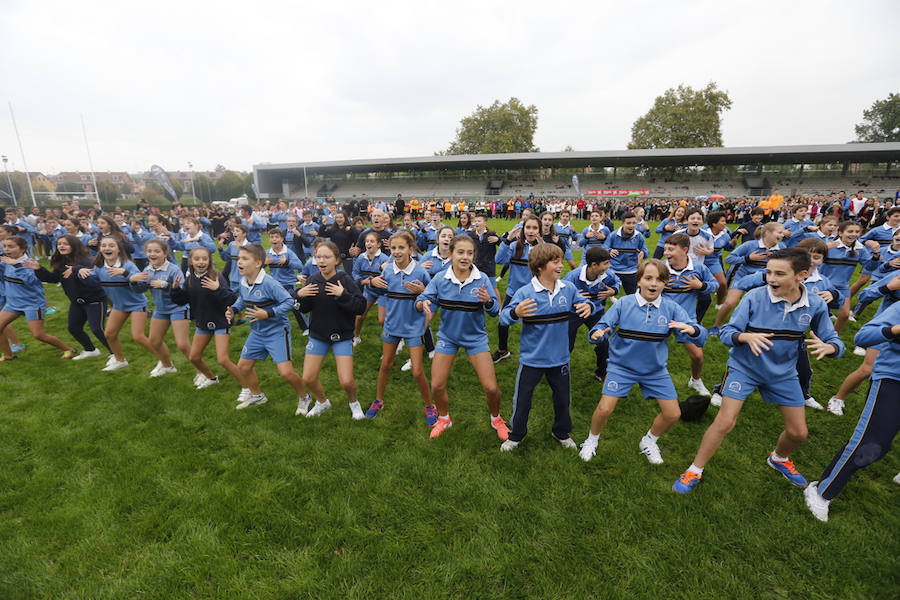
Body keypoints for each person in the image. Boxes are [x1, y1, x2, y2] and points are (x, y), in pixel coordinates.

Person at [673, 248, 844, 494]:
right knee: (725, 421)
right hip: (745, 368)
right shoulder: (754, 297)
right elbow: (726, 333)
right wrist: (745, 336)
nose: (771, 278)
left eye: (779, 273)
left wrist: (831, 347)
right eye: (768, 272)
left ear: (801, 275)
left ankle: (779, 458)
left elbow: (835, 340)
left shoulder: (814, 304)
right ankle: (694, 470)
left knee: (799, 433)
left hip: (783, 373)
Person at [580, 259, 706, 464]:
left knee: (673, 413)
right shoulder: (623, 303)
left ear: (666, 284)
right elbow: (604, 324)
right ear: (638, 281)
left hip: (654, 370)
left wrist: (694, 330)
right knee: (604, 409)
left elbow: (699, 335)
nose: (653, 284)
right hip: (622, 367)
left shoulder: (671, 308)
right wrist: (597, 333)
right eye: (648, 278)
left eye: (659, 280)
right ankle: (591, 440)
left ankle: (649, 441)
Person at [804, 301, 900, 522]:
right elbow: (863, 337)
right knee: (874, 443)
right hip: (894, 379)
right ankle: (822, 491)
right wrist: (895, 330)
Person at [499, 243, 593, 451]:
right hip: (532, 359)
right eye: (555, 261)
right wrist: (516, 313)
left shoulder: (567, 289)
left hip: (560, 359)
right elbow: (504, 318)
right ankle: (516, 435)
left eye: (561, 260)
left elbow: (586, 303)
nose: (561, 265)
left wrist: (589, 305)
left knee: (562, 399)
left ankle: (561, 431)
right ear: (540, 266)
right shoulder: (525, 293)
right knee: (523, 400)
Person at [415, 234, 506, 439]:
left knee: (491, 388)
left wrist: (488, 302)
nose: (465, 257)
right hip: (448, 337)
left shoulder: (481, 278)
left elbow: (494, 312)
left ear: (474, 256)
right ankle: (444, 418)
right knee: (437, 385)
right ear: (451, 254)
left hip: (475, 339)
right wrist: (423, 304)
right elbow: (422, 299)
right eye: (460, 252)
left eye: (470, 253)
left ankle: (496, 418)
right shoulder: (440, 278)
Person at [226, 244, 310, 411]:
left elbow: (289, 302)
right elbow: (243, 298)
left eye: (244, 259)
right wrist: (234, 309)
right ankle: (257, 396)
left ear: (258, 263)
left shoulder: (270, 283)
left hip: (277, 332)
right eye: (239, 258)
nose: (239, 262)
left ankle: (304, 397)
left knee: (286, 373)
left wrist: (268, 313)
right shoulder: (244, 281)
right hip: (257, 333)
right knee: (243, 366)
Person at [366, 230, 436, 423]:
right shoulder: (387, 270)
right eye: (393, 248)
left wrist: (424, 292)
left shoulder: (421, 271)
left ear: (410, 249)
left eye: (401, 248)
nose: (397, 252)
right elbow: (379, 289)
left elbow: (432, 295)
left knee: (417, 371)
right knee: (386, 364)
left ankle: (430, 406)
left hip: (413, 327)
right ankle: (378, 401)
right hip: (392, 325)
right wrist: (373, 282)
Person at [295, 241, 367, 419]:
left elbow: (360, 307)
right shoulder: (313, 279)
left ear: (336, 260)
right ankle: (322, 402)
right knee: (308, 378)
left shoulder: (345, 279)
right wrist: (299, 295)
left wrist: (342, 295)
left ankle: (354, 403)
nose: (322, 260)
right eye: (318, 256)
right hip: (318, 335)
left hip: (341, 335)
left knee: (346, 381)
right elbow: (304, 308)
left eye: (326, 257)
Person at [170, 246, 244, 391]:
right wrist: (175, 290)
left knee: (223, 359)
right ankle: (211, 378)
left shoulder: (216, 276)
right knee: (194, 357)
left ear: (209, 261)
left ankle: (248, 387)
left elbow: (232, 299)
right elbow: (182, 300)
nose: (201, 262)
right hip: (203, 323)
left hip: (220, 322)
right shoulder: (190, 279)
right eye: (197, 259)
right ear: (191, 261)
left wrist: (217, 289)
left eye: (204, 258)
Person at [77, 236, 153, 372]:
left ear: (118, 250)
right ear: (100, 249)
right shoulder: (99, 267)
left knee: (138, 336)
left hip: (136, 304)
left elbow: (141, 288)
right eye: (104, 245)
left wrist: (127, 275)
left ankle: (165, 361)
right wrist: (81, 273)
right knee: (110, 334)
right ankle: (120, 360)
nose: (107, 248)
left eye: (111, 245)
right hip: (119, 306)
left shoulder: (128, 265)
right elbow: (93, 282)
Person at [30, 234, 110, 360]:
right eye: (59, 244)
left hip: (94, 300)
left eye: (65, 244)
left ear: (73, 245)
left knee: (97, 329)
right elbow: (52, 279)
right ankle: (90, 350)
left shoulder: (85, 261)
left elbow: (94, 276)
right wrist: (39, 269)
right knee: (74, 328)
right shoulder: (62, 262)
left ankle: (115, 355)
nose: (61, 246)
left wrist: (77, 269)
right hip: (76, 302)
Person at [0, 236, 76, 362]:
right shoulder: (6, 263)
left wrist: (17, 266)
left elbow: (29, 281)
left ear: (23, 249)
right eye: (5, 246)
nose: (6, 249)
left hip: (32, 304)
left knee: (38, 335)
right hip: (13, 305)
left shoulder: (30, 264)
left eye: (11, 246)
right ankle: (8, 355)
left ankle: (69, 349)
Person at [662, 233, 718, 396]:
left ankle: (695, 381)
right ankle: (645, 379)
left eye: (671, 249)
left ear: (684, 250)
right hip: (661, 316)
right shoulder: (660, 268)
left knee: (698, 356)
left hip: (686, 318)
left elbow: (714, 285)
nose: (666, 253)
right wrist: (658, 286)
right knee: (648, 351)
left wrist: (700, 286)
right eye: (665, 249)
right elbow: (642, 288)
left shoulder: (698, 268)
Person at [712, 221, 785, 334]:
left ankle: (757, 330)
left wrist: (776, 260)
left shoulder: (782, 248)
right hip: (743, 277)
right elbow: (729, 258)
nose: (782, 235)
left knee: (765, 307)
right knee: (730, 303)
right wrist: (748, 258)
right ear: (767, 233)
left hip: (764, 281)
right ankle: (716, 327)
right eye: (779, 232)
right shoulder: (750, 245)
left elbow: (787, 266)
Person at [493, 215, 541, 363]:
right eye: (528, 227)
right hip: (513, 293)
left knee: (536, 327)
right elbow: (499, 260)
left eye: (535, 228)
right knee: (503, 322)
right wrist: (507, 241)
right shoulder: (515, 246)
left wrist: (544, 248)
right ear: (523, 229)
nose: (531, 231)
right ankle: (502, 350)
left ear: (539, 230)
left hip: (536, 295)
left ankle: (536, 355)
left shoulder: (543, 248)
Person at [819, 221, 880, 333]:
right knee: (816, 315)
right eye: (850, 231)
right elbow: (810, 260)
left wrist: (876, 254)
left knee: (845, 315)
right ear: (840, 233)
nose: (854, 234)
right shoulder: (829, 245)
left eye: (857, 232)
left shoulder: (860, 249)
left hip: (842, 287)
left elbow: (870, 267)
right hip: (823, 285)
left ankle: (832, 339)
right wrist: (822, 249)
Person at [351, 230, 391, 346]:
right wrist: (363, 281)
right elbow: (355, 273)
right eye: (367, 241)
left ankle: (396, 341)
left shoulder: (384, 259)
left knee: (382, 320)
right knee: (359, 316)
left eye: (372, 241)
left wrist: (379, 281)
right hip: (369, 291)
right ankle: (356, 336)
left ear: (378, 244)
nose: (369, 243)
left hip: (383, 292)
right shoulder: (360, 258)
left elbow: (389, 277)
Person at [265, 228, 307, 334]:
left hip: (288, 284)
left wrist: (287, 262)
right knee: (271, 306)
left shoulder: (288, 252)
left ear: (281, 239)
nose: (274, 239)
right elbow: (256, 268)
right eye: (272, 237)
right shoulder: (267, 253)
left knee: (293, 304)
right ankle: (276, 328)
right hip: (274, 285)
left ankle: (306, 327)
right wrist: (264, 264)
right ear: (269, 240)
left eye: (276, 237)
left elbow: (300, 265)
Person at [603, 212, 649, 296]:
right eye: (628, 223)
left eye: (634, 223)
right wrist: (609, 251)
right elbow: (604, 248)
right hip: (613, 270)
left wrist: (643, 252)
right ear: (622, 223)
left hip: (631, 271)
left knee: (634, 297)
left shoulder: (638, 236)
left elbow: (646, 251)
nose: (631, 226)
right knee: (603, 294)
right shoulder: (613, 235)